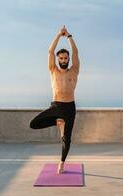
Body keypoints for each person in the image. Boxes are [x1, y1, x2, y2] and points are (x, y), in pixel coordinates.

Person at [29, 25, 80, 174]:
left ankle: (62, 163)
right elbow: (50, 51)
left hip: (70, 108)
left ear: (68, 59)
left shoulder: (74, 70)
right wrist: (59, 35)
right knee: (34, 124)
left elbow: (76, 52)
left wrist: (69, 36)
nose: (63, 60)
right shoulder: (53, 70)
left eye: (65, 58)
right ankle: (57, 121)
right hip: (56, 106)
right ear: (58, 59)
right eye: (61, 58)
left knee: (67, 139)